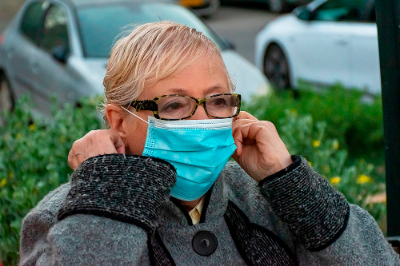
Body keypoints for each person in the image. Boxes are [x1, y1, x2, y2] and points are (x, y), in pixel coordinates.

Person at [20, 21, 399, 265]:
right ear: (118, 122)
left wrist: (290, 182)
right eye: (174, 105)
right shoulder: (64, 218)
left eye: (218, 101)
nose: (203, 121)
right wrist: (107, 195)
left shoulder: (266, 202)